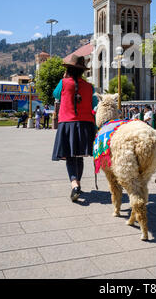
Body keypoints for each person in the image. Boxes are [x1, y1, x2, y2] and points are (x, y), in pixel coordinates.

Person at [51, 54, 98, 202]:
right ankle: (78, 184)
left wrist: (64, 77)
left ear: (69, 70)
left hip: (68, 124)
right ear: (82, 71)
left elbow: (56, 94)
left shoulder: (63, 83)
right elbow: (94, 103)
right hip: (86, 124)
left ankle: (74, 185)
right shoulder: (90, 87)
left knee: (70, 157)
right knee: (79, 157)